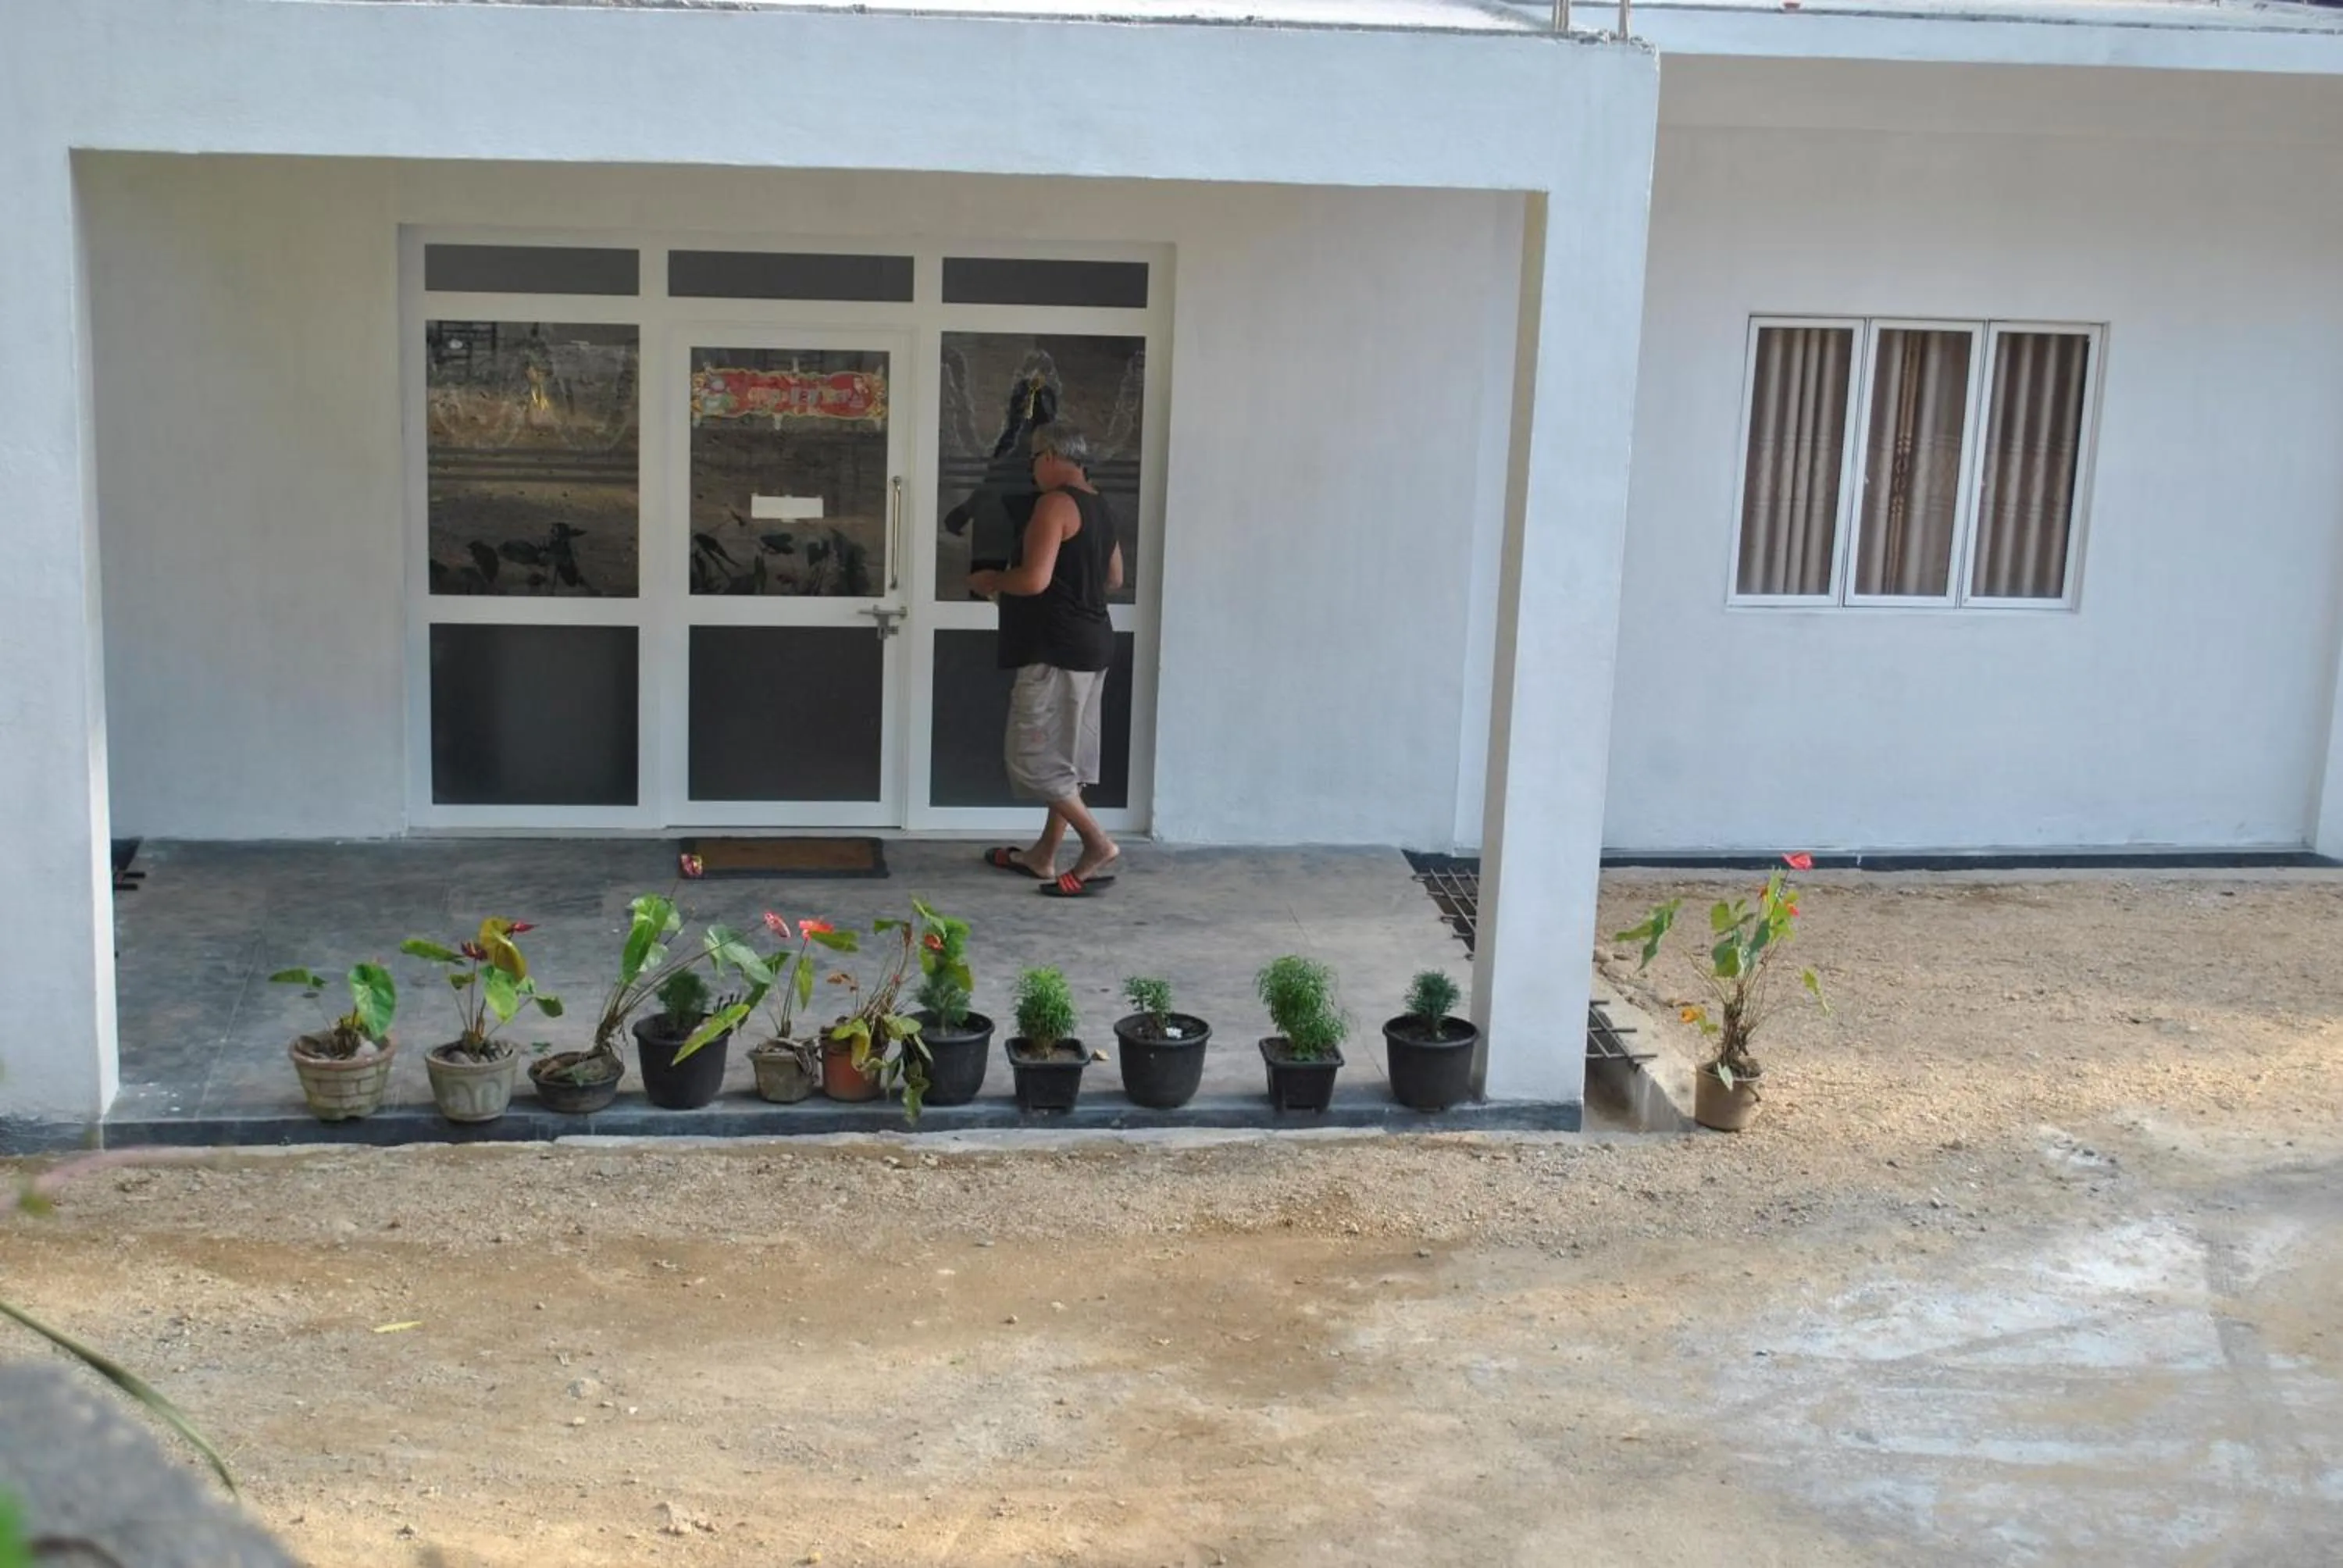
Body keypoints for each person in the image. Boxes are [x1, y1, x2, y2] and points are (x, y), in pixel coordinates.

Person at [971, 422, 1123, 897]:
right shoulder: (1100, 505)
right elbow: (1114, 579)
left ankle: (1097, 844)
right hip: (1092, 642)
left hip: (1055, 648)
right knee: (1068, 759)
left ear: (1055, 456)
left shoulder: (1054, 504)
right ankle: (1043, 855)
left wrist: (993, 580)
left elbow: (1034, 580)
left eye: (1035, 458)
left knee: (1033, 759)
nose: (1032, 468)